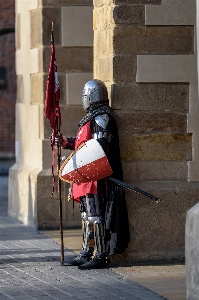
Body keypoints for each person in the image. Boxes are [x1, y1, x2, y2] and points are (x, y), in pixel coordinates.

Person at [57, 79, 129, 269]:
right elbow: (84, 145)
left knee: (96, 217)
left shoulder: (102, 118)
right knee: (85, 216)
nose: (83, 100)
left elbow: (100, 148)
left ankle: (100, 255)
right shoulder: (91, 118)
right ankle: (86, 252)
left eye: (85, 96)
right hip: (85, 177)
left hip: (95, 178)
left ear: (91, 96)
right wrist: (66, 143)